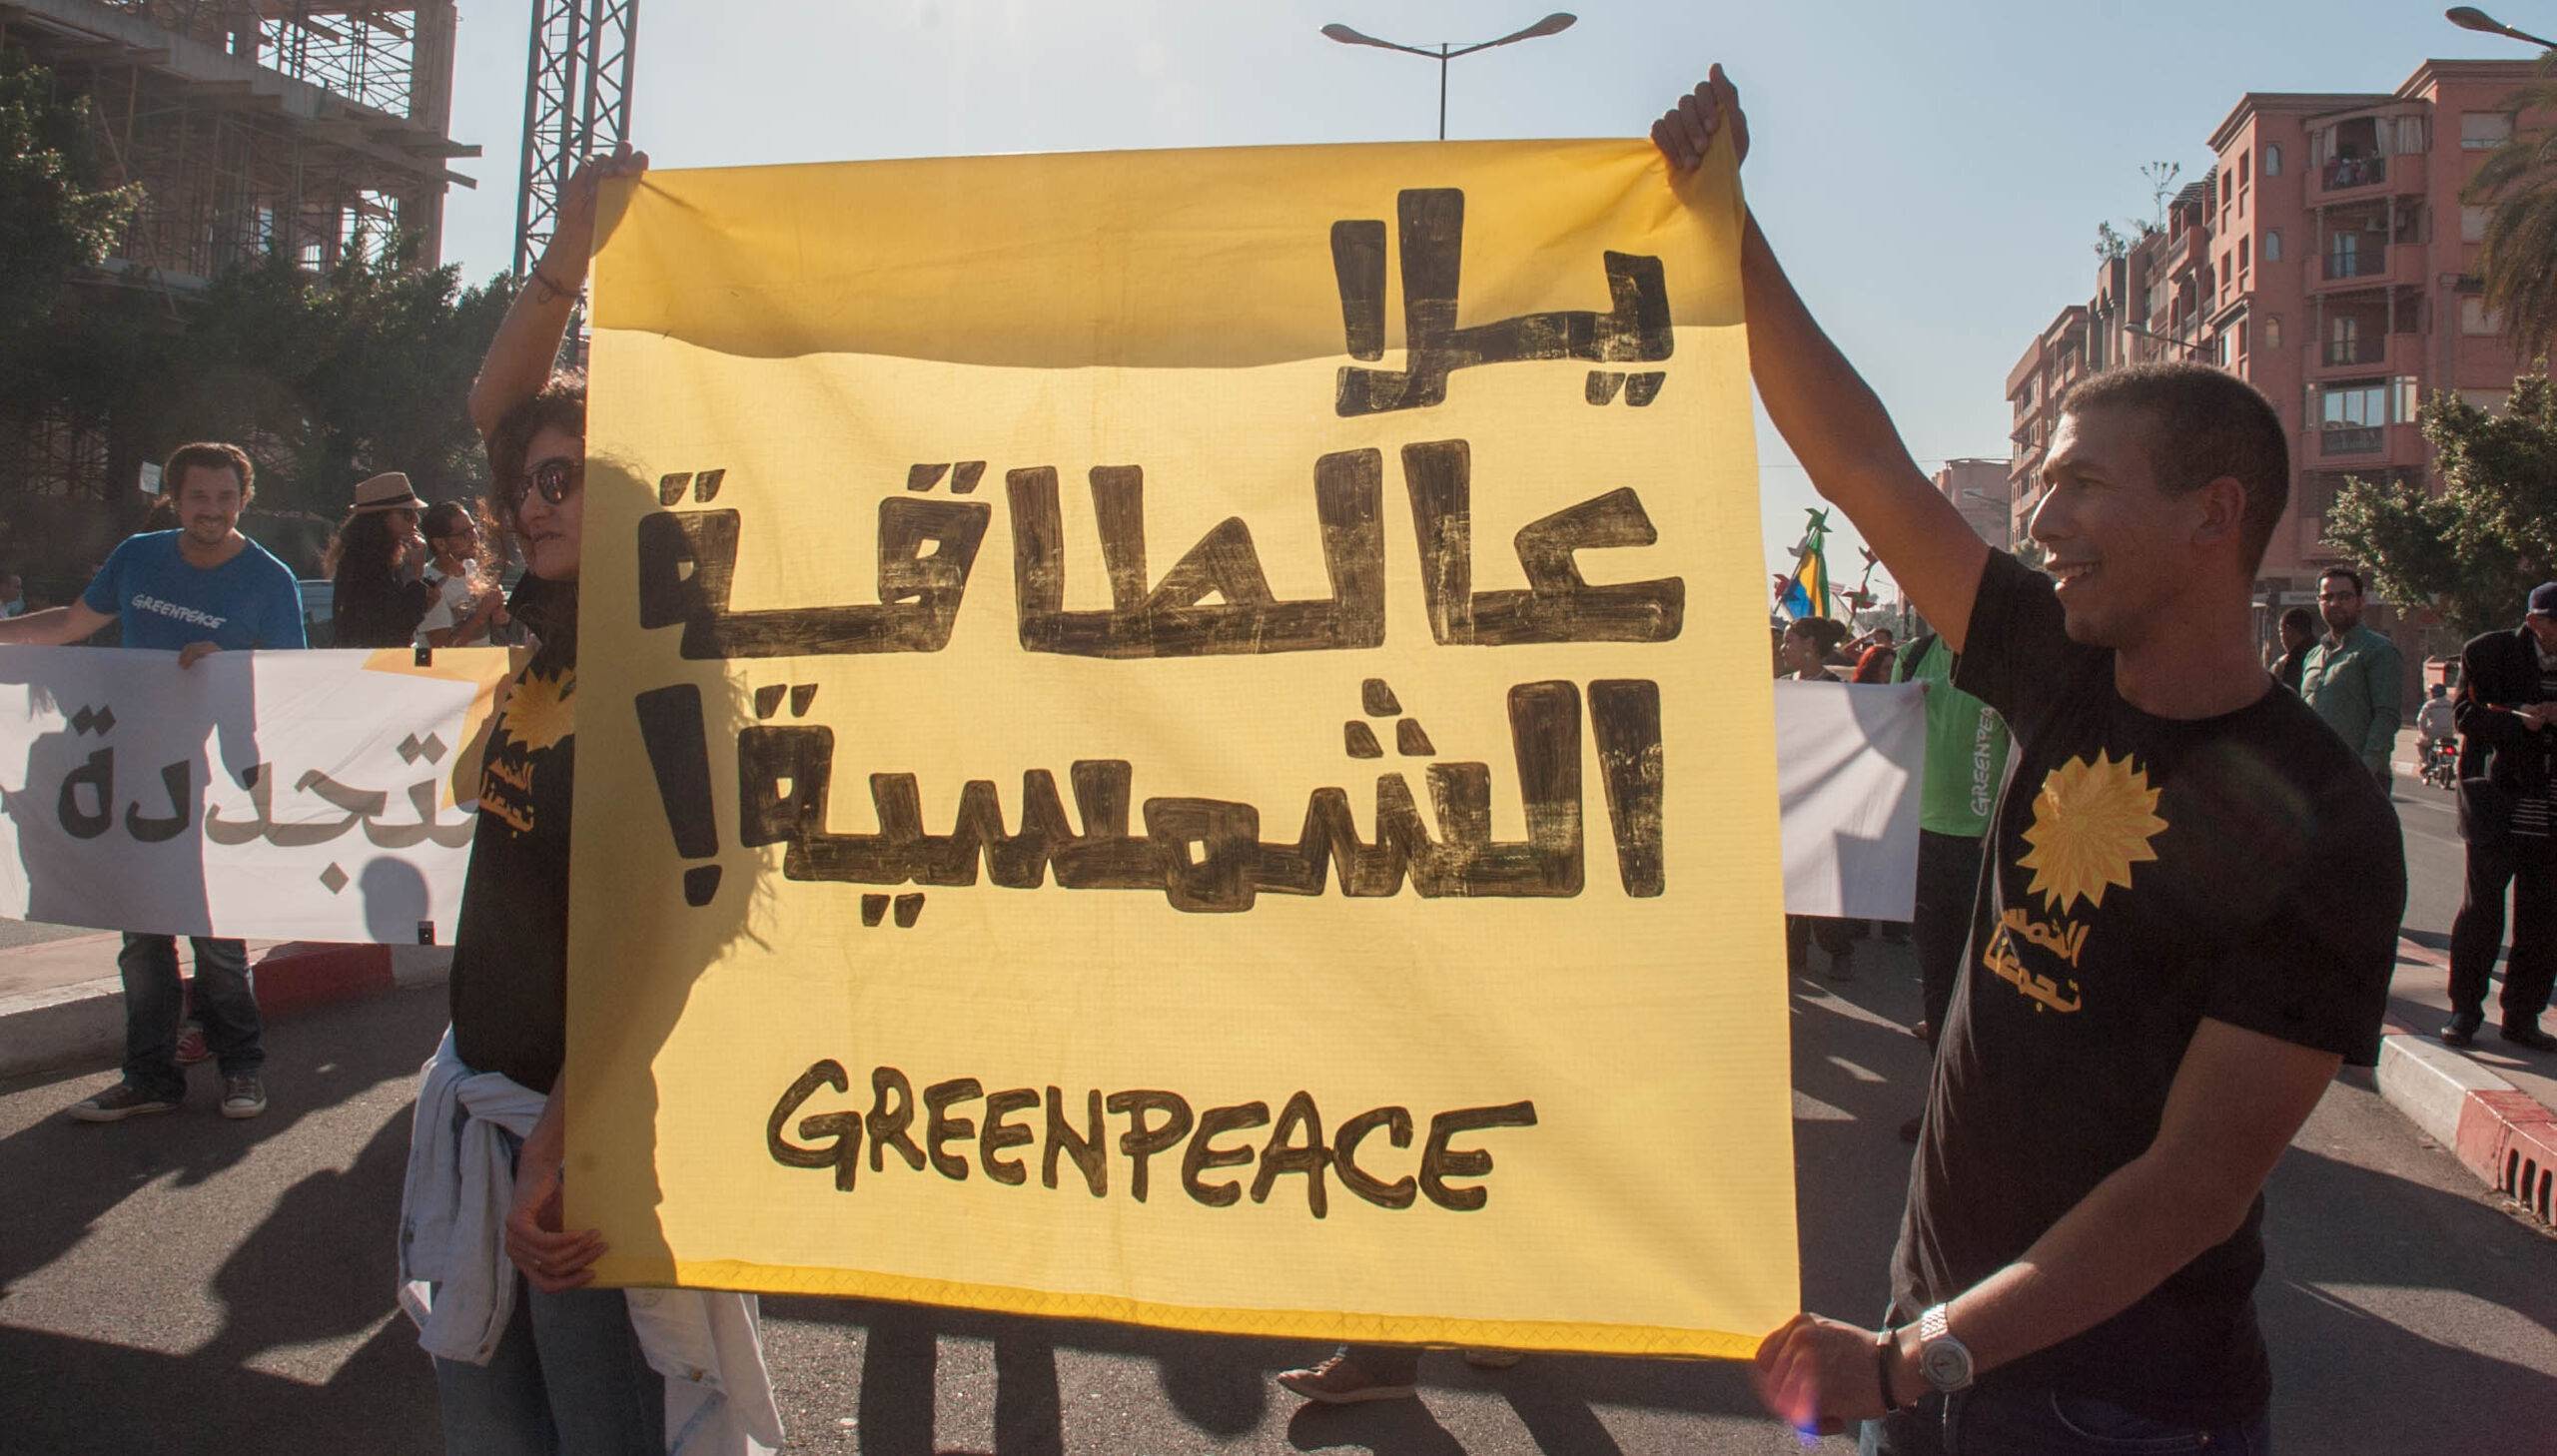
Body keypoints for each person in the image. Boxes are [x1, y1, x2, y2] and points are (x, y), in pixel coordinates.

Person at [1657, 70, 2402, 1453]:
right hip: (1936, 1356)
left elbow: (2190, 1182)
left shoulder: (2330, 821)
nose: (2039, 515)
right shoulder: (2060, 659)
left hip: (2110, 1409)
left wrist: (1906, 1361)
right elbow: (1863, 466)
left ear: (2212, 515)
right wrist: (1727, 218)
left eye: (2080, 484)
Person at [394, 142, 781, 1455]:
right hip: (486, 1103)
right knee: (490, 1426)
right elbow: (501, 395)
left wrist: (563, 1142)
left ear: (625, 503)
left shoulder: (666, 674)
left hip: (584, 1137)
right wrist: (569, 246)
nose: (530, 495)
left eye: (569, 478)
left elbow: (685, 934)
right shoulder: (541, 635)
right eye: (525, 480)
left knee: (598, 1430)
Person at [0, 441, 306, 1121]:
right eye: (200, 497)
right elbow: (74, 624)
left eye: (227, 498)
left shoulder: (269, 577)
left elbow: (294, 682)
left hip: (220, 781)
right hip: (135, 776)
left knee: (218, 937)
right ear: (175, 497)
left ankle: (242, 1069)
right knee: (141, 940)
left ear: (243, 499)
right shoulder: (138, 558)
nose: (213, 511)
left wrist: (229, 662)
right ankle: (148, 1078)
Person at [1891, 630, 2010, 1141]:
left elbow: (2030, 742)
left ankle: (1996, 1105)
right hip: (1927, 842)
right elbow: (1885, 738)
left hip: (1993, 846)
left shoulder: (2006, 656)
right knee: (1939, 980)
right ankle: (1947, 1108)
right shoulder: (1912, 656)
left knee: (1997, 984)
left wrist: (2004, 824)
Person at [2440, 584, 2557, 1053]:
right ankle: (2465, 1011)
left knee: (2543, 918)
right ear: (2536, 623)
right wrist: (2518, 720)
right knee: (2482, 911)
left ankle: (2523, 1016)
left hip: (2550, 811)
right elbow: (2466, 715)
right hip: (2497, 802)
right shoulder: (2488, 653)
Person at [1778, 616, 1861, 981]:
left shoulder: (1836, 688)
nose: (1783, 649)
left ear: (1810, 644)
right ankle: (1793, 951)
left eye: (1789, 641)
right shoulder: (1779, 687)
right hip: (1785, 800)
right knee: (1786, 879)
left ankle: (1838, 949)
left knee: (1822, 883)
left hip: (1823, 802)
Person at [2299, 566, 2403, 792]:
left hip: (2360, 779)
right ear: (2319, 602)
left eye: (2344, 596)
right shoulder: (2313, 656)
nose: (2335, 603)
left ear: (2360, 602)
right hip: (2315, 777)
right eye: (2327, 597)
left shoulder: (2377, 650)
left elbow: (2387, 717)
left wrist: (2364, 771)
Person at [325, 471, 434, 649]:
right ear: (380, 519)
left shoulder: (370, 557)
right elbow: (398, 625)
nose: (415, 519)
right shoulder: (367, 564)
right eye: (406, 513)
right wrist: (417, 573)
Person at [415, 499, 508, 650]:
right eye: (464, 534)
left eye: (473, 529)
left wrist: (496, 612)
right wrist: (482, 612)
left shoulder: (469, 566)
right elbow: (441, 649)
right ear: (440, 544)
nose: (474, 537)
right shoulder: (430, 585)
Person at [2268, 605, 2314, 693]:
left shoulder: (2289, 662)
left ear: (2289, 631)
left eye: (2280, 631)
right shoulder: (2321, 652)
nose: (2280, 638)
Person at [2415, 682, 2455, 763]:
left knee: (2419, 743)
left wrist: (2424, 732)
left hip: (2433, 734)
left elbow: (2421, 720)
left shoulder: (2429, 705)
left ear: (2434, 693)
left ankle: (2425, 762)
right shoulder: (2451, 704)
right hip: (2449, 734)